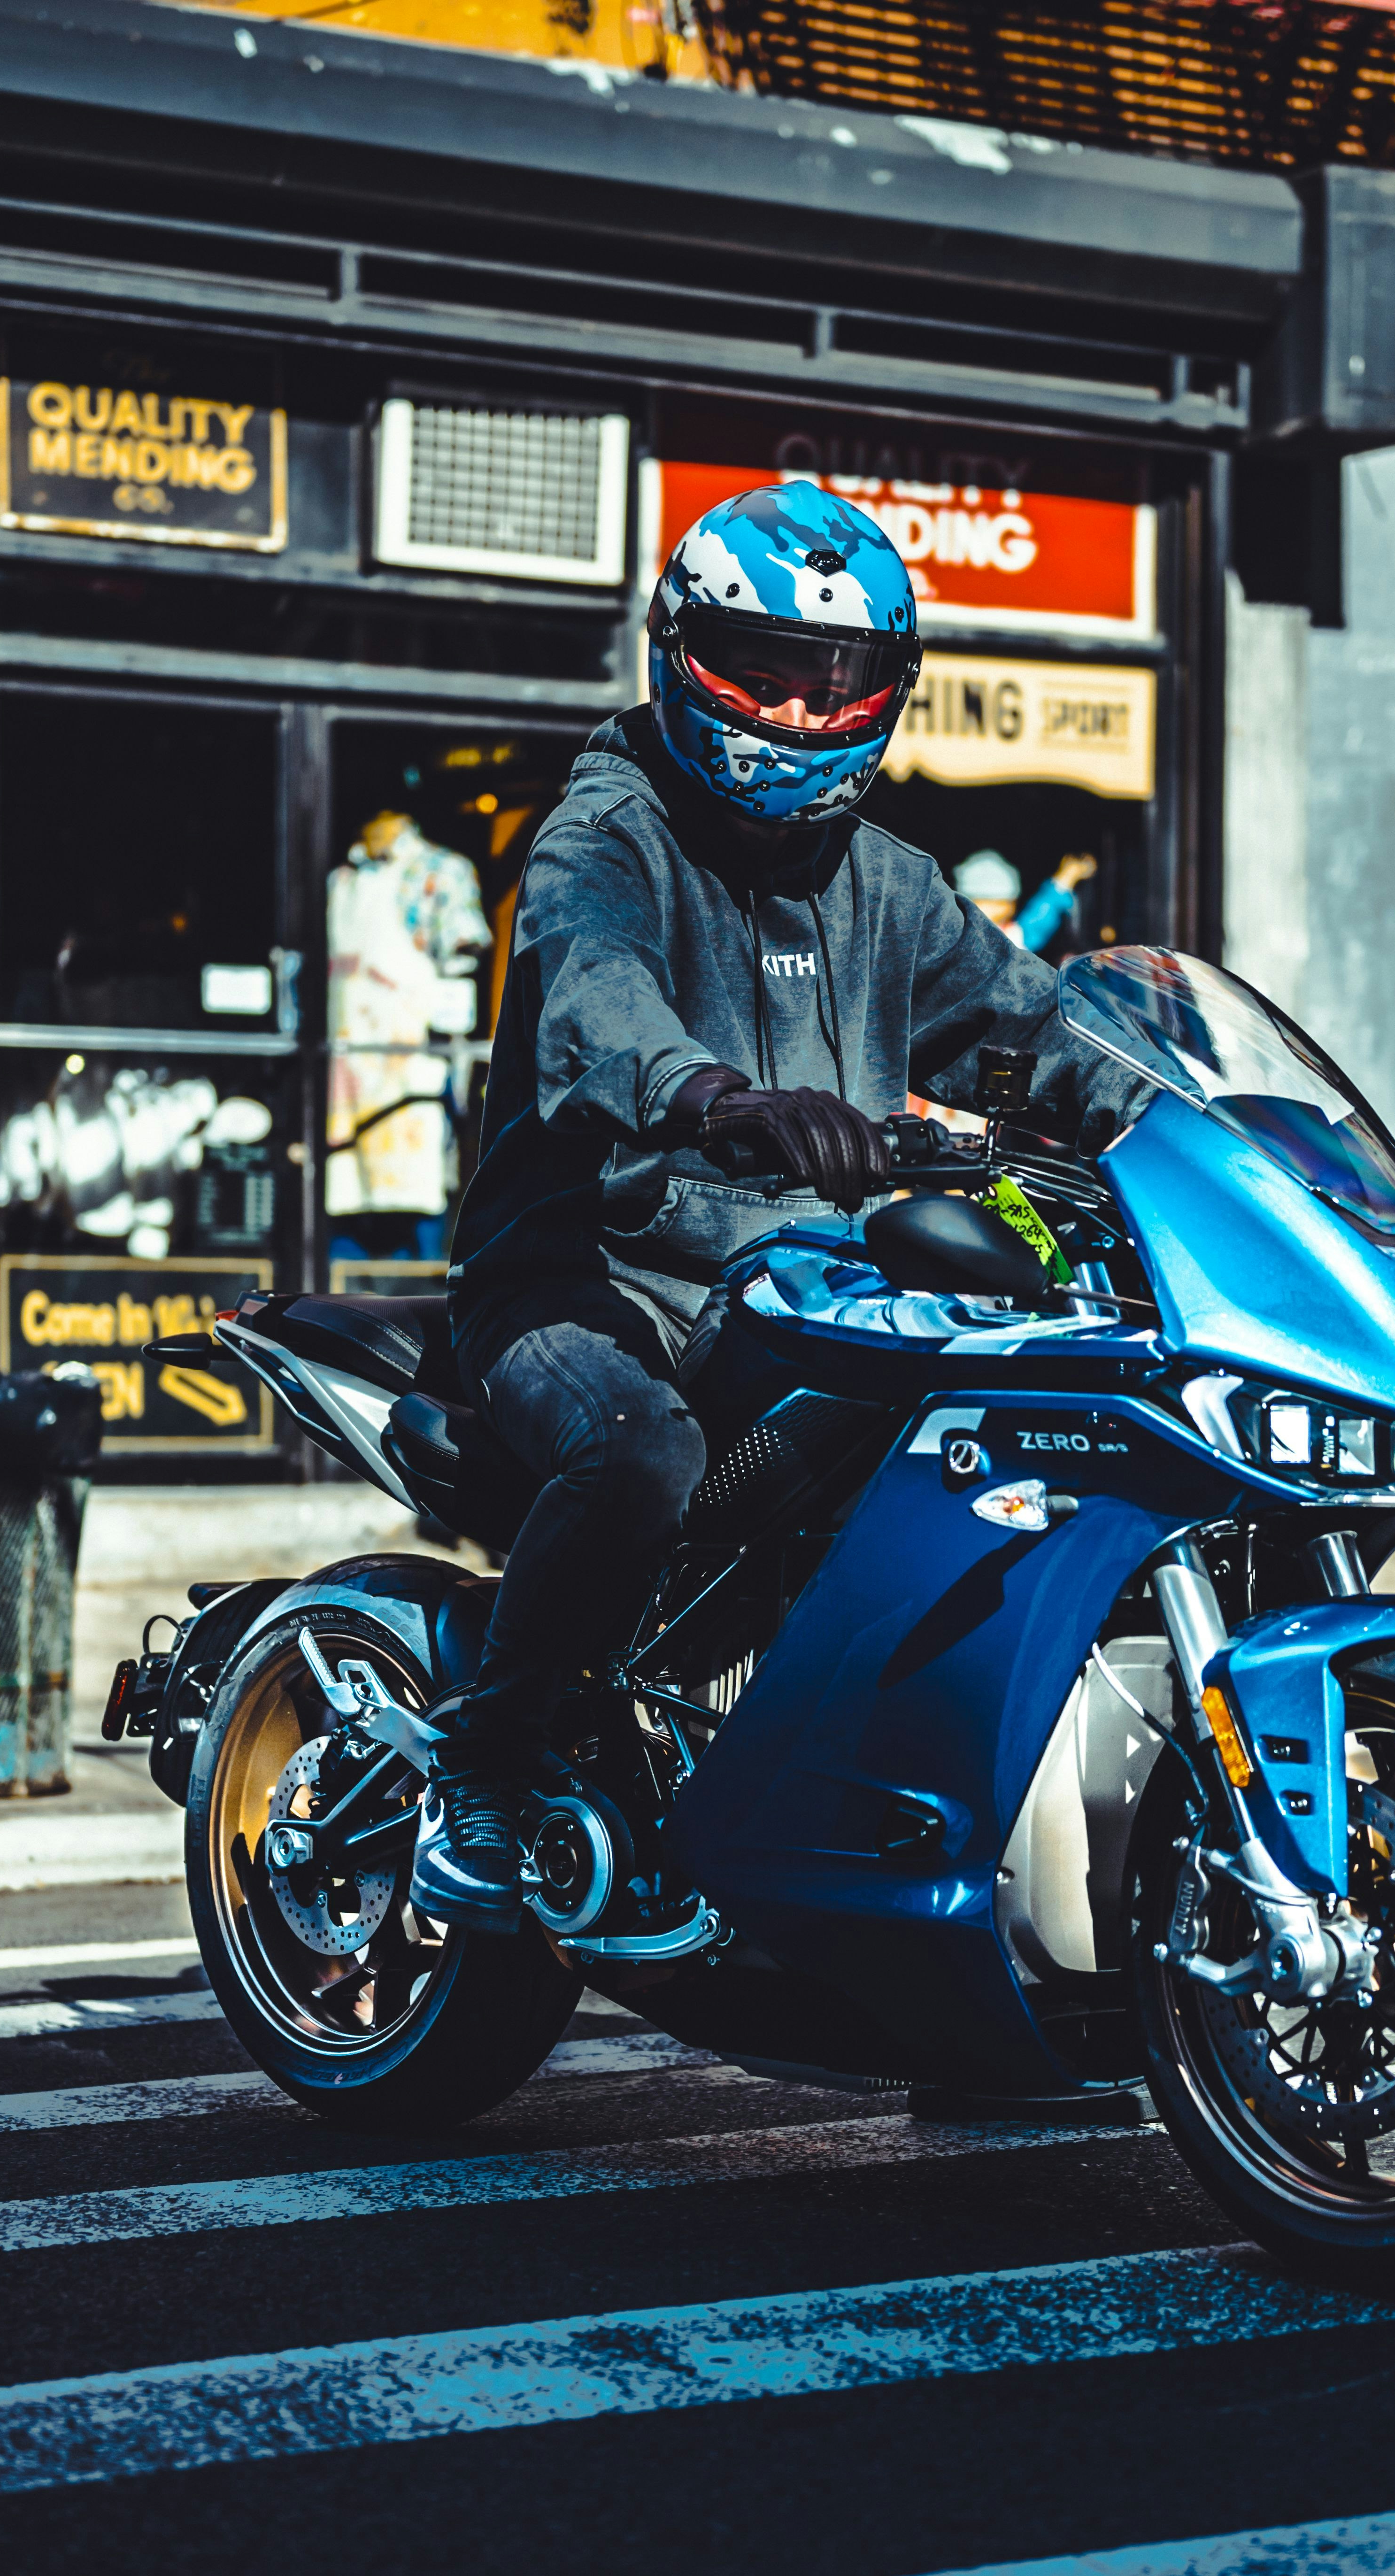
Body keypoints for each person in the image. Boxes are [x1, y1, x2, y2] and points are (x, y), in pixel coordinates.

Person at [413, 478, 1141, 1933]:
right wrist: (714, 1099)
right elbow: (596, 999)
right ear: (679, 652)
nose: (803, 713)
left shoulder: (887, 885)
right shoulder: (601, 839)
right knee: (638, 1452)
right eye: (765, 672)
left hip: (802, 1277)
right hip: (584, 1278)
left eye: (840, 681)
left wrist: (1192, 1125)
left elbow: (1038, 1026)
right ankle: (481, 1781)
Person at [953, 847, 1098, 957]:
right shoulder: (955, 938)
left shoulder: (1007, 936)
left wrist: (1064, 880)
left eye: (1008, 904)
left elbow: (1036, 923)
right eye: (993, 903)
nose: (1005, 910)